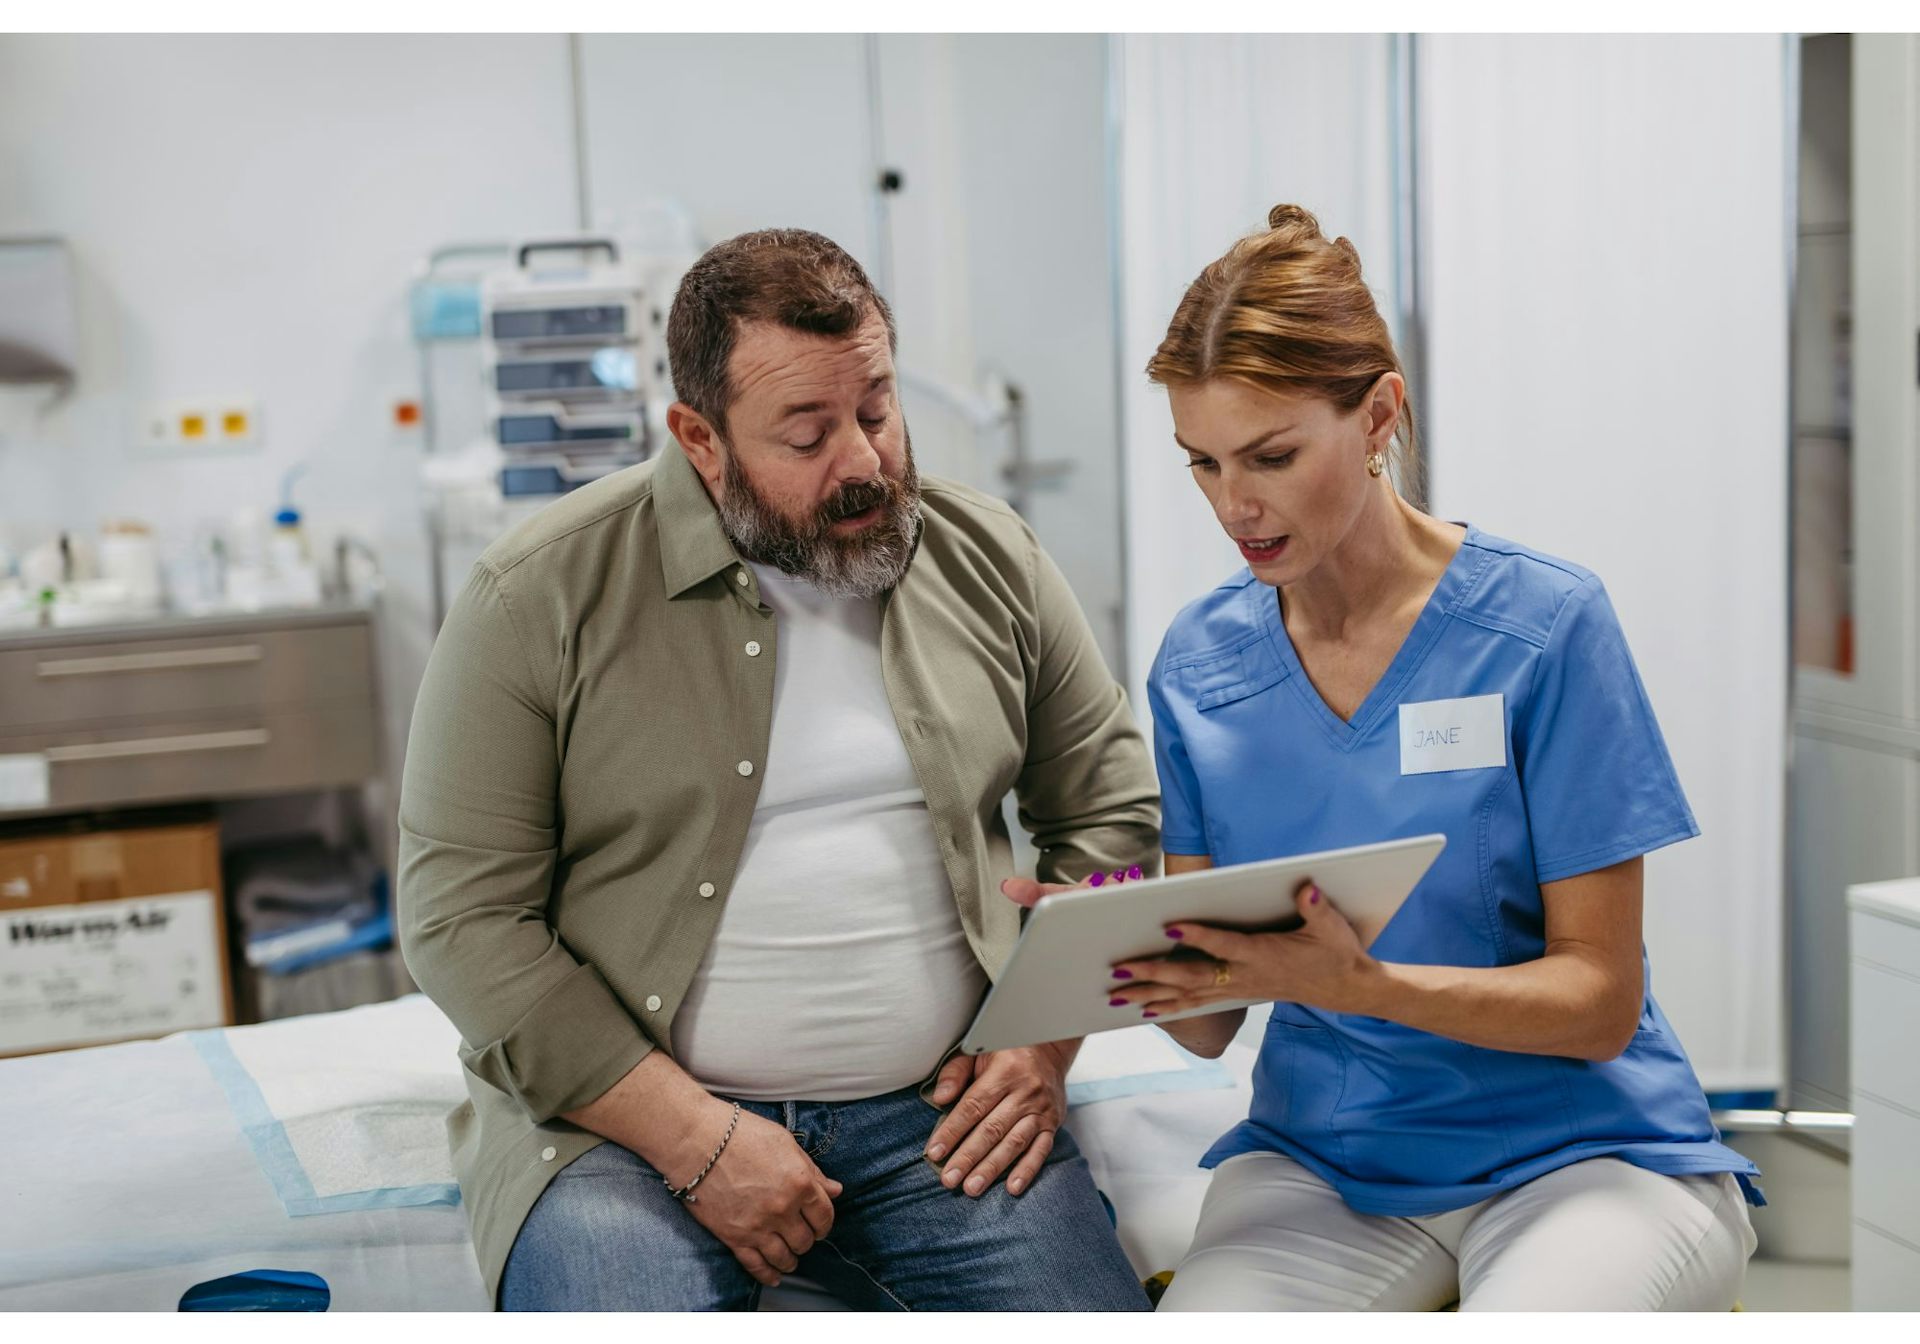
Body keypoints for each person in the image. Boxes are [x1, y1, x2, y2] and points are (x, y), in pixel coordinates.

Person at [1005, 204, 1759, 1311]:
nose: (1234, 505)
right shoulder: (1202, 665)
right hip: (1327, 1160)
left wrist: (1364, 988)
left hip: (1584, 1154)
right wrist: (1104, 942)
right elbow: (1211, 1025)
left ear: (1378, 415)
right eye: (1202, 463)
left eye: (1271, 456)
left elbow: (1599, 999)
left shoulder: (1543, 627)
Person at [399, 228, 1159, 1311]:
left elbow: (1114, 817)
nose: (863, 462)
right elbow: (458, 919)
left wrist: (1043, 1041)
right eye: (806, 435)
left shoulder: (989, 557)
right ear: (699, 438)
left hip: (943, 1124)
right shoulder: (539, 597)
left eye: (879, 411)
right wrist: (696, 1137)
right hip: (626, 1135)